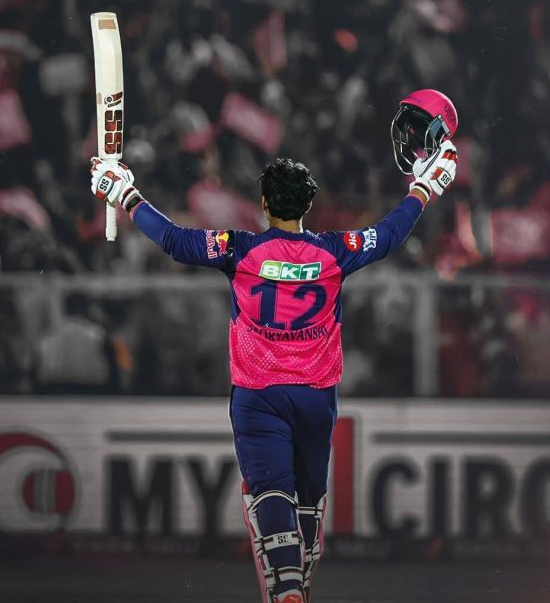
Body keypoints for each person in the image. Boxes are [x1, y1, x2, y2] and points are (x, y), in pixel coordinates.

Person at [89, 89, 459, 603]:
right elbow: (390, 234)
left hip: (259, 395)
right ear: (308, 206)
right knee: (309, 502)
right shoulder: (336, 252)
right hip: (316, 397)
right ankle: (295, 583)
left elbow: (174, 239)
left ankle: (285, 588)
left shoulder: (238, 249)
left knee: (270, 493)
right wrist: (424, 188)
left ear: (264, 205)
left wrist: (126, 194)